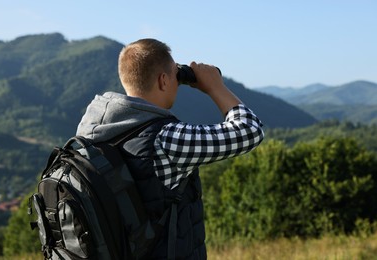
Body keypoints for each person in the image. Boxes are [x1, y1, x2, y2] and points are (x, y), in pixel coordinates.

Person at [76, 38, 264, 259]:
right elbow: (250, 131)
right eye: (176, 74)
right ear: (163, 80)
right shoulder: (167, 139)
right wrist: (216, 87)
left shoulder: (90, 130)